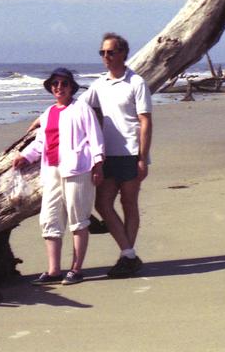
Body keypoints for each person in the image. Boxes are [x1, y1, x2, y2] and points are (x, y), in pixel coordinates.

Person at [13, 68, 104, 286]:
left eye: (64, 83)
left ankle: (76, 269)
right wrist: (25, 156)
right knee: (49, 218)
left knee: (78, 218)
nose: (59, 87)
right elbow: (41, 142)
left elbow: (95, 137)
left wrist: (98, 165)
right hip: (51, 171)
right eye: (55, 84)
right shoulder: (49, 113)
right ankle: (54, 270)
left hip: (78, 169)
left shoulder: (81, 108)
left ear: (71, 87)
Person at [81, 32, 152, 279]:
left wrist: (143, 157)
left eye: (110, 52)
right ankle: (129, 254)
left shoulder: (136, 82)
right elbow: (78, 108)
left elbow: (145, 121)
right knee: (102, 204)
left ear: (123, 53)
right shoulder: (99, 84)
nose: (106, 56)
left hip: (131, 153)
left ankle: (126, 258)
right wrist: (44, 118)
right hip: (107, 154)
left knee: (129, 203)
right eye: (102, 52)